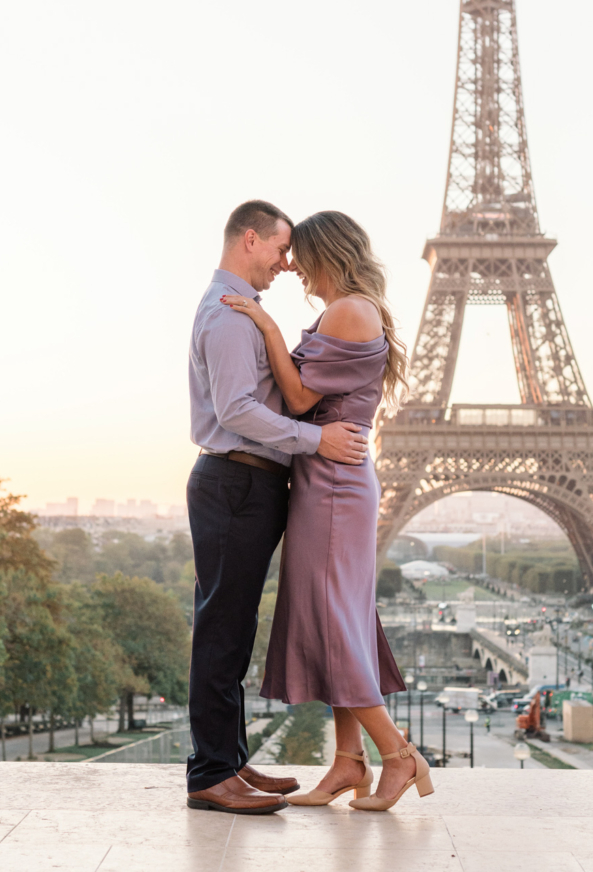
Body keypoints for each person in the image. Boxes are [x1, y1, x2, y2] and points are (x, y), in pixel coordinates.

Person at [222, 209, 434, 812]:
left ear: (326, 256)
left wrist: (264, 325)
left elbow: (297, 396)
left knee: (333, 621)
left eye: (300, 258)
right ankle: (348, 762)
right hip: (329, 478)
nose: (292, 270)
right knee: (341, 618)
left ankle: (397, 756)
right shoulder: (349, 310)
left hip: (334, 487)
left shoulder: (347, 311)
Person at [186, 200, 369, 815]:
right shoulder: (233, 317)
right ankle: (212, 772)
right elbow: (238, 411)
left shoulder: (245, 313)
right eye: (279, 248)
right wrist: (318, 441)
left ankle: (228, 762)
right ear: (249, 239)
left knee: (232, 631)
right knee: (222, 630)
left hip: (247, 484)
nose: (286, 264)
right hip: (236, 482)